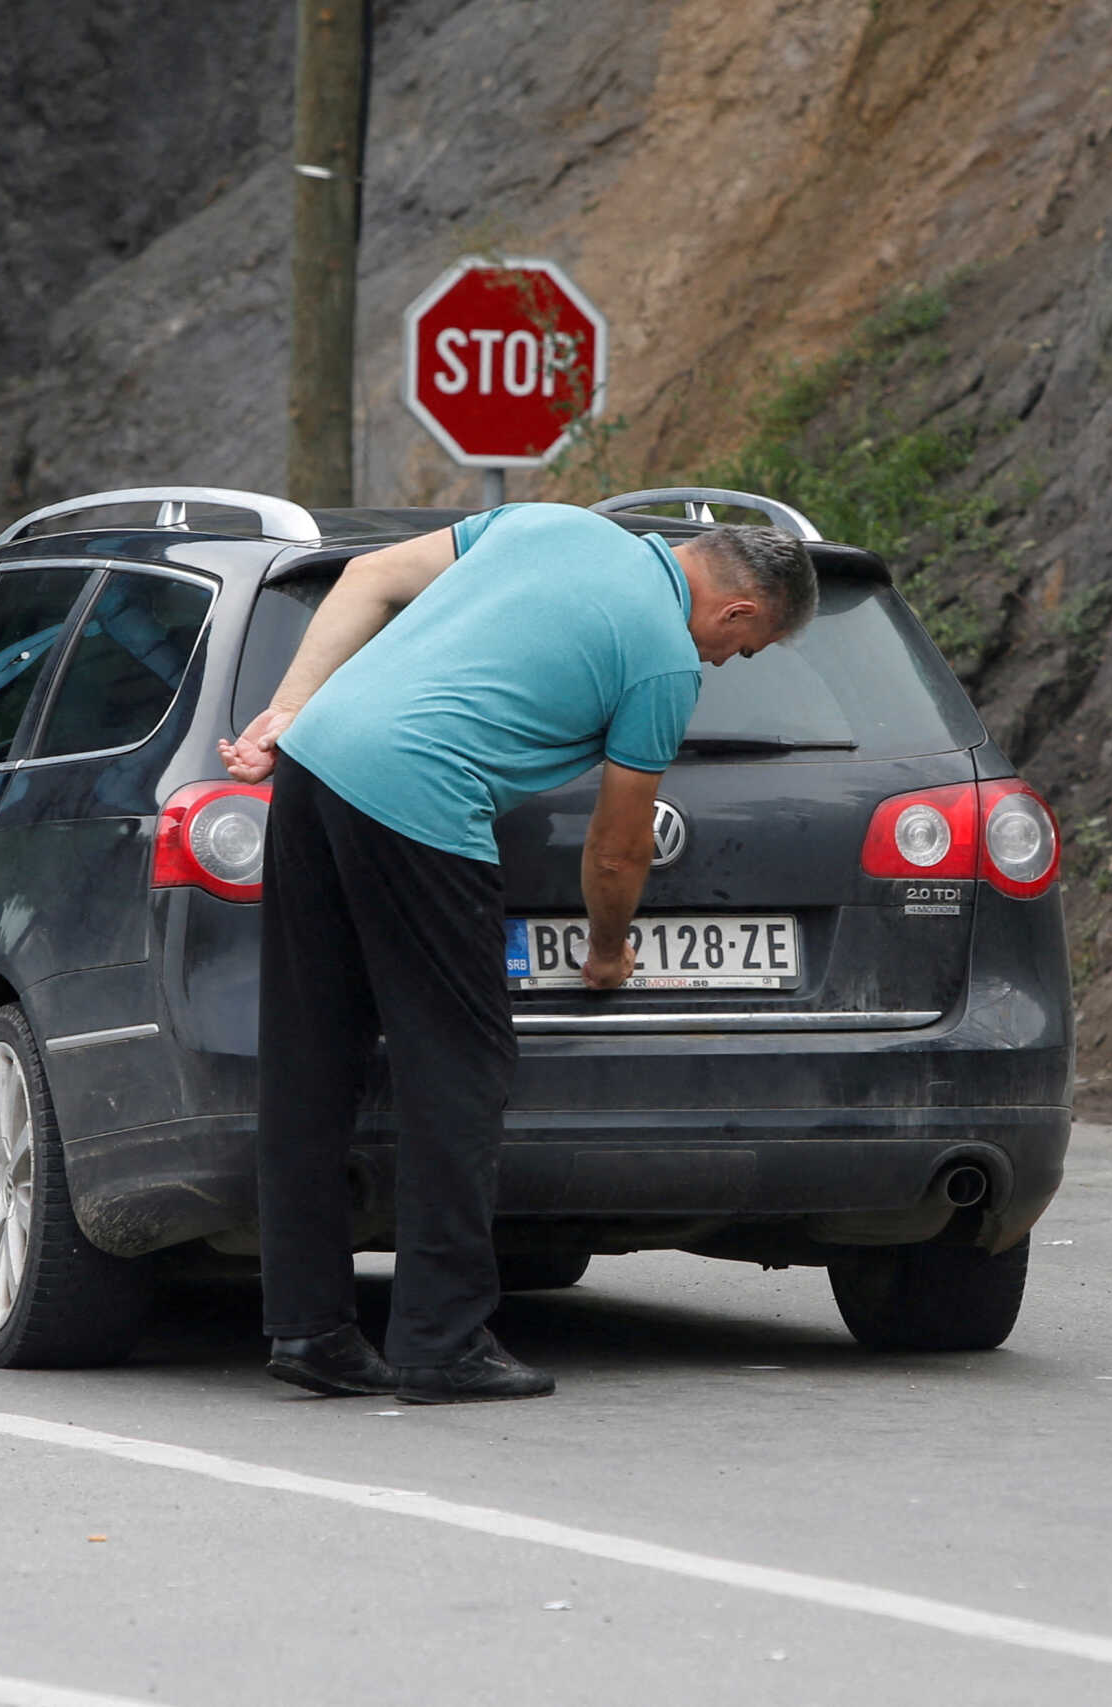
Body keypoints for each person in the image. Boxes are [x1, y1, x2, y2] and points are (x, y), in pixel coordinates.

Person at [219, 503, 817, 1403]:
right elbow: (618, 849)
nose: (728, 662)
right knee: (459, 1067)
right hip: (416, 799)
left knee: (313, 1057)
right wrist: (608, 952)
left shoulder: (548, 522)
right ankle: (440, 1340)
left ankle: (310, 1329)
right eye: (748, 647)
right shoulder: (662, 656)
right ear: (737, 612)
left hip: (313, 765)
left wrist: (287, 712)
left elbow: (366, 577)